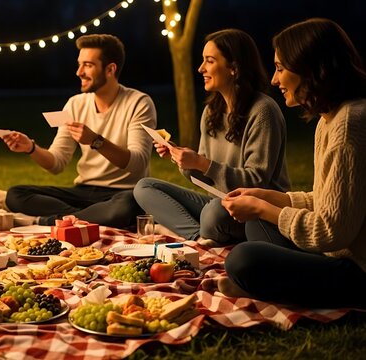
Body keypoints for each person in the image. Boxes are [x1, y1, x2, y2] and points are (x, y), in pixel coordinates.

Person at [220, 18, 366, 309]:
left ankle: (269, 286)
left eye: (280, 68)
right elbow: (330, 202)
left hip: (357, 267)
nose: (274, 80)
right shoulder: (330, 119)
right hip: (335, 252)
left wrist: (264, 207)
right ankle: (271, 283)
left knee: (243, 258)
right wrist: (269, 197)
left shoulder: (349, 124)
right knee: (256, 227)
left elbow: (330, 231)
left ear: (311, 68)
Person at [132, 29, 290, 246]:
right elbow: (204, 179)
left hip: (255, 210)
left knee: (213, 212)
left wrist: (202, 163)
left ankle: (191, 232)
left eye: (210, 61)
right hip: (219, 201)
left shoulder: (263, 111)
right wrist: (184, 159)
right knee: (144, 187)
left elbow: (256, 181)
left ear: (234, 68)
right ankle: (199, 238)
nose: (201, 68)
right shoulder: (211, 112)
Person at [2, 34, 156, 229]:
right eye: (79, 64)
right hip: (82, 192)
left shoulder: (139, 103)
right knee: (16, 194)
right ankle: (81, 219)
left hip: (123, 192)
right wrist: (31, 148)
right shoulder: (75, 104)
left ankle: (52, 221)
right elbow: (56, 163)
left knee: (129, 205)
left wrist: (96, 141)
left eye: (88, 65)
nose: (79, 72)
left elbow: (138, 163)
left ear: (110, 69)